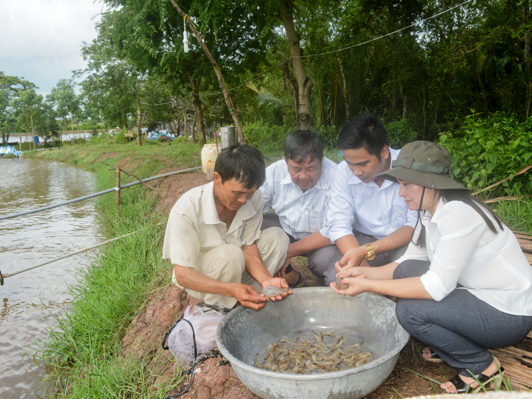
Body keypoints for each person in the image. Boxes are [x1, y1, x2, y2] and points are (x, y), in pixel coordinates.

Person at [332, 141, 532, 394]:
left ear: (431, 183)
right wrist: (363, 272)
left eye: (407, 185)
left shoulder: (458, 214)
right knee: (409, 271)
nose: (401, 192)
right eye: (400, 184)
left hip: (509, 314)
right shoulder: (429, 209)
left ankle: (480, 365)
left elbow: (436, 286)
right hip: (479, 296)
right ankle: (452, 340)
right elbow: (407, 262)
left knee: (410, 311)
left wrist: (367, 285)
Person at [162, 144, 291, 311]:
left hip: (236, 264)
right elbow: (183, 275)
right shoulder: (187, 209)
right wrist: (230, 289)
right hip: (201, 276)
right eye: (237, 193)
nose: (244, 200)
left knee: (277, 238)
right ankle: (218, 309)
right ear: (217, 178)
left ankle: (251, 298)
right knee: (230, 254)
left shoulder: (254, 198)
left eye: (250, 192)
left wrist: (266, 280)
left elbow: (248, 247)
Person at [323, 114, 417, 285]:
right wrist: (365, 269)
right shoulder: (344, 171)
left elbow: (414, 225)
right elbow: (339, 224)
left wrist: (368, 258)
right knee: (338, 278)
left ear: (384, 152)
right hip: (365, 238)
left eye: (363, 164)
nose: (356, 171)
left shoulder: (408, 167)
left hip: (406, 241)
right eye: (350, 162)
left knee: (413, 276)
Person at [260, 130, 338, 286]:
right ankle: (290, 276)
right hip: (285, 227)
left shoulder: (336, 177)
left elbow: (335, 229)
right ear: (285, 161)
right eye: (296, 169)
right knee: (253, 228)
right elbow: (252, 207)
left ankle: (322, 284)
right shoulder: (274, 171)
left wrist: (286, 251)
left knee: (325, 262)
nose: (303, 176)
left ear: (322, 160)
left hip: (321, 239)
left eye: (311, 169)